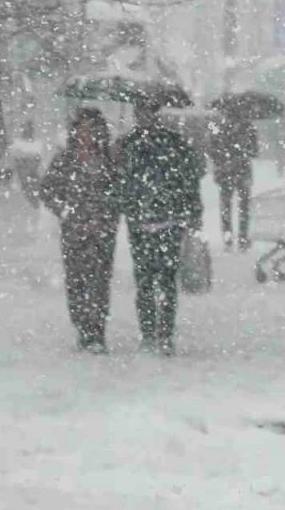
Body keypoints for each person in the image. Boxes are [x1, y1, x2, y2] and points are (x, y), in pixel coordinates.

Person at [115, 102, 205, 356]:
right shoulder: (131, 144)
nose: (144, 118)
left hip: (164, 221)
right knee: (149, 281)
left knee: (162, 280)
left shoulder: (168, 143)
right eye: (140, 114)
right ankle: (152, 333)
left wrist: (193, 210)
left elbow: (190, 177)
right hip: (147, 221)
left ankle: (161, 334)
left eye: (147, 113)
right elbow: (120, 180)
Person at [39, 108, 120, 354]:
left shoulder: (109, 161)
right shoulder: (64, 160)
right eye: (82, 129)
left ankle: (97, 331)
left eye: (92, 129)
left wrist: (106, 216)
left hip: (102, 232)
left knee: (99, 282)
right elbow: (47, 190)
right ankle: (83, 328)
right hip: (74, 232)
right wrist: (66, 212)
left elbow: (119, 192)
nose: (87, 135)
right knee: (76, 282)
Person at [208, 111, 259, 251]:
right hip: (242, 172)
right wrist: (241, 153)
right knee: (243, 207)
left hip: (225, 173)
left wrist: (224, 159)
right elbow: (255, 151)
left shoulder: (218, 127)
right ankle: (242, 238)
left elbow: (212, 150)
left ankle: (228, 238)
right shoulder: (247, 127)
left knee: (226, 206)